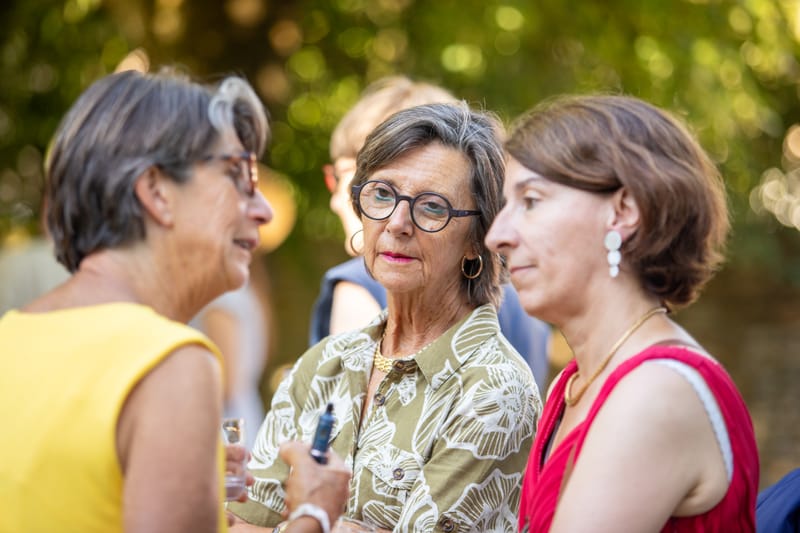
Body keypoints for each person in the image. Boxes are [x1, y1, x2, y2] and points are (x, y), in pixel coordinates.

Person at [0, 67, 347, 533]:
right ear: (157, 192)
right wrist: (314, 514)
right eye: (236, 176)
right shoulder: (170, 364)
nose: (262, 209)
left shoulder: (12, 335)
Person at [229, 102, 541, 532]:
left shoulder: (495, 389)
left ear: (478, 239)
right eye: (382, 194)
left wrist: (308, 516)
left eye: (432, 207)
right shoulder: (325, 362)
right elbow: (245, 522)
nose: (397, 222)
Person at [485, 94, 759, 531]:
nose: (496, 235)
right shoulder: (572, 384)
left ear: (624, 211)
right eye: (504, 207)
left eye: (531, 201)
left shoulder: (656, 391)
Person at [310, 76, 551, 390]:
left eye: (432, 203)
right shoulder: (522, 296)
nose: (338, 197)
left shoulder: (360, 285)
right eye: (383, 192)